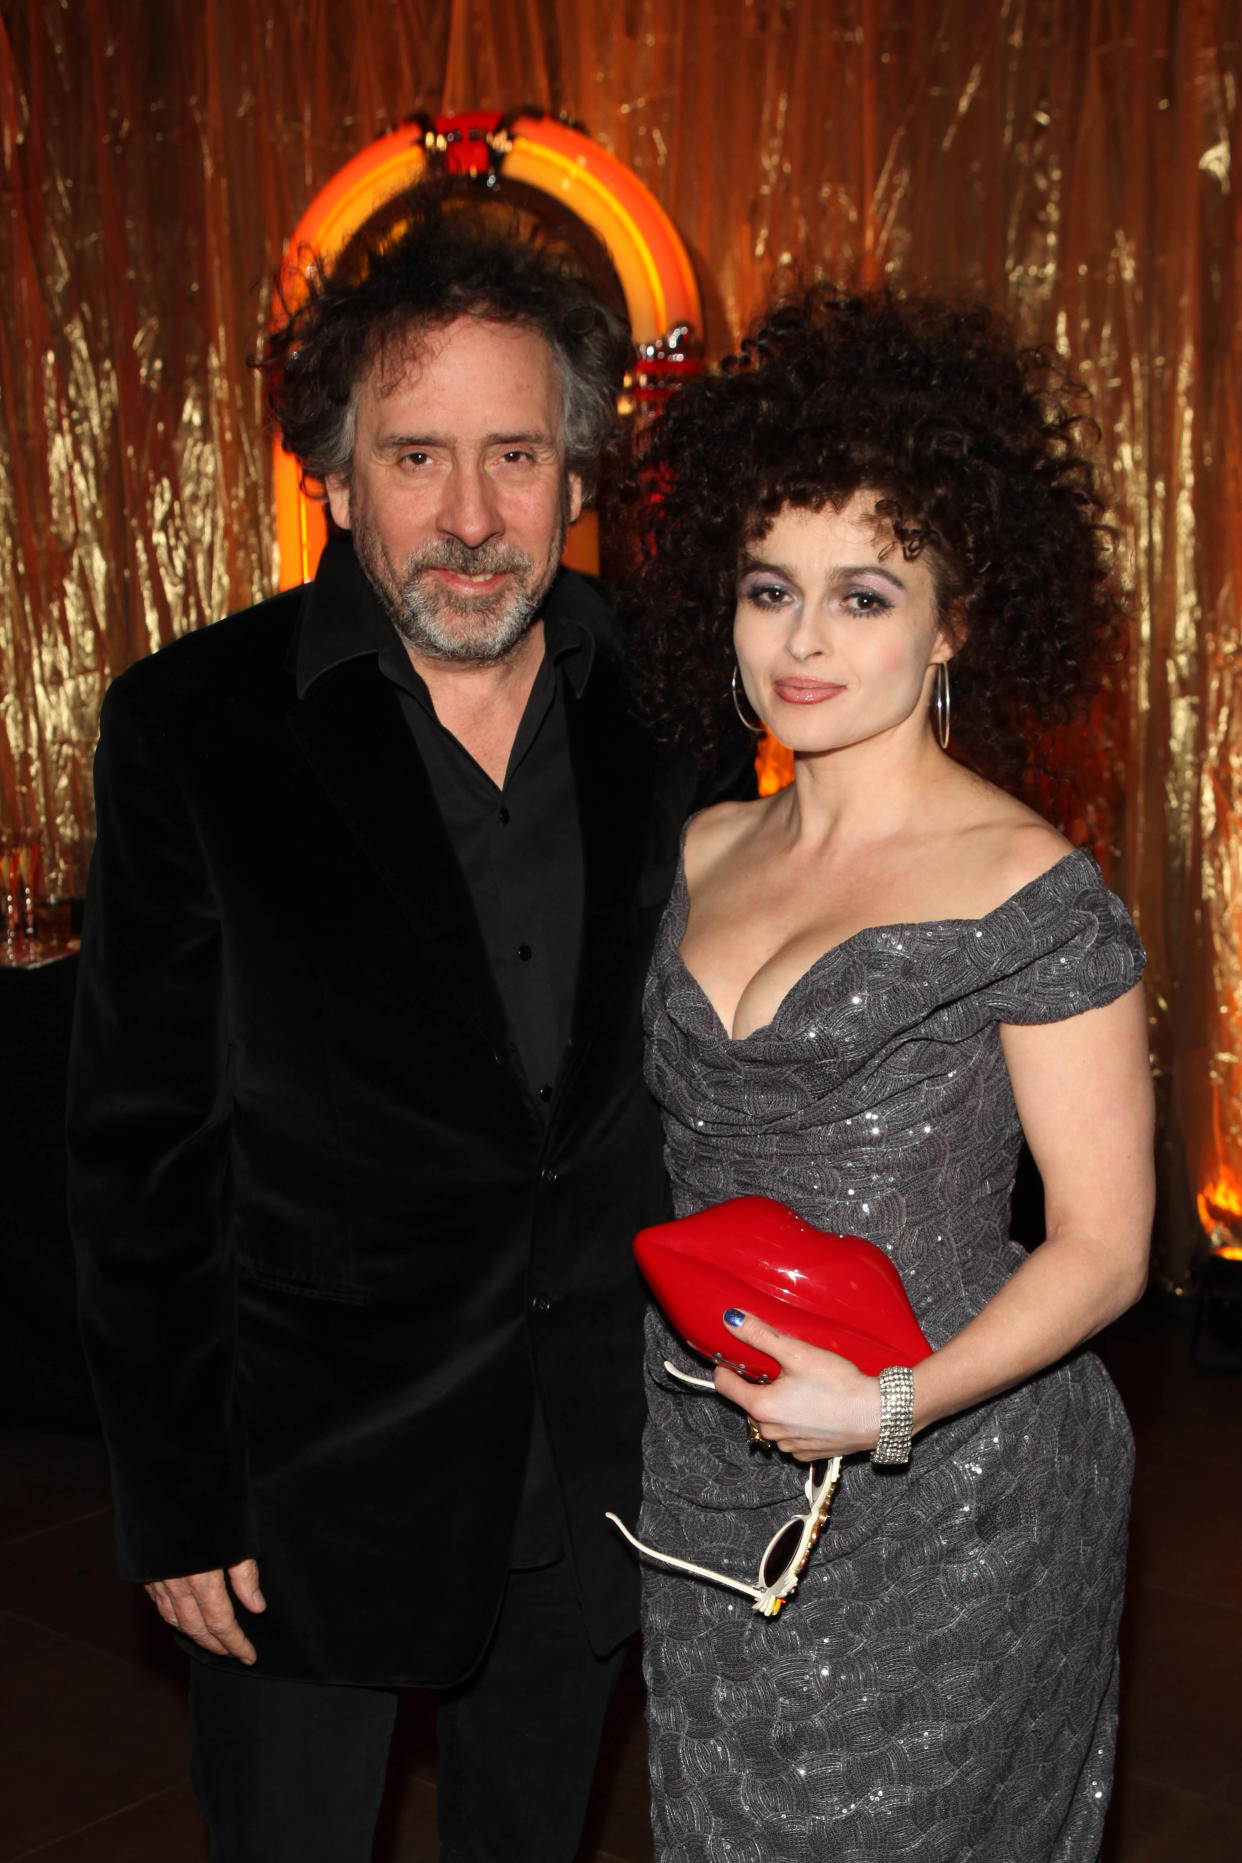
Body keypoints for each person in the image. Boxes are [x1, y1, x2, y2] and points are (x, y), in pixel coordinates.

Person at [67, 191, 746, 1863]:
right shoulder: (195, 727)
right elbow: (141, 1147)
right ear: (332, 473)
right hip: (313, 1476)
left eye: (516, 456)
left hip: (591, 1458)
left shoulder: (670, 709)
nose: (469, 516)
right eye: (415, 454)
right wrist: (177, 1493)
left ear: (580, 481)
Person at [621, 288, 1154, 1861]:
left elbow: (1107, 1246)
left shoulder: (1028, 889)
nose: (800, 641)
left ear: (954, 621)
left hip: (956, 1493)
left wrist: (889, 1402)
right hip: (713, 1470)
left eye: (862, 596)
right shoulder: (705, 844)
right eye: (768, 589)